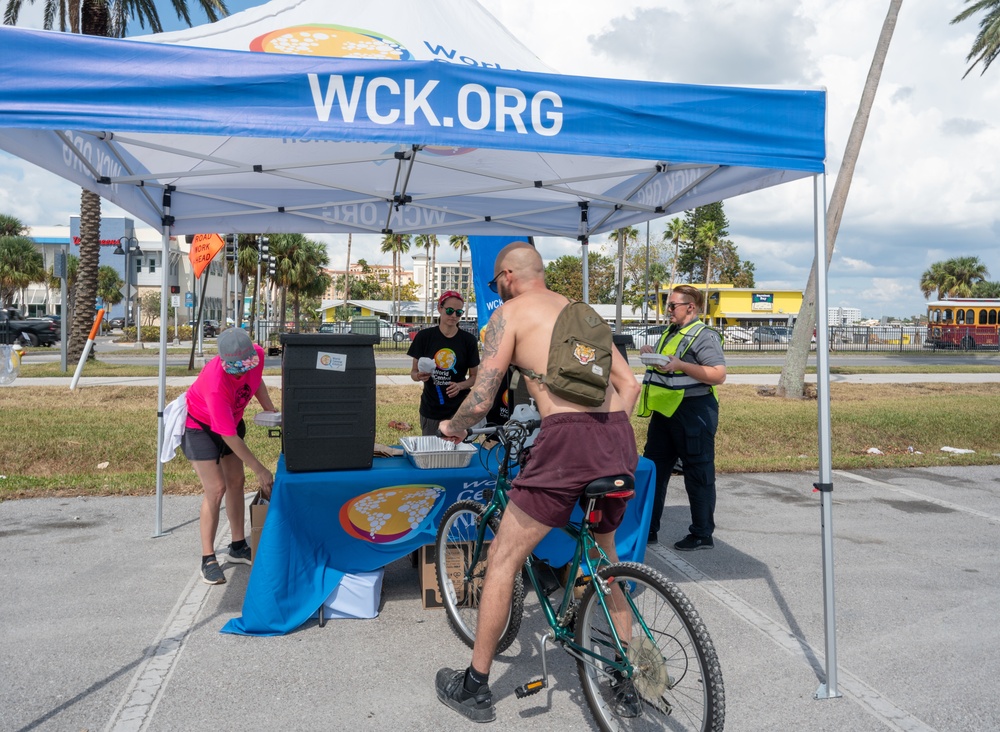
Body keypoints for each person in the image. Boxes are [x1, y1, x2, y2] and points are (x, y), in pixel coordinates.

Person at [434, 242, 641, 723]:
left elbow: (483, 394)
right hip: (615, 442)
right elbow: (629, 386)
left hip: (564, 443)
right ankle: (625, 678)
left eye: (494, 282)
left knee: (503, 558)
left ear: (507, 275)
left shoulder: (509, 314)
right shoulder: (584, 313)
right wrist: (601, 436)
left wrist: (454, 425)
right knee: (606, 560)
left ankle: (475, 687)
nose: (496, 289)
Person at [182, 327, 276, 585]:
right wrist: (261, 469)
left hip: (231, 423)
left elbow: (256, 381)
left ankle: (237, 546)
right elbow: (228, 436)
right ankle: (208, 558)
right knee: (216, 489)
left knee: (236, 482)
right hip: (199, 428)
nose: (244, 371)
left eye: (247, 366)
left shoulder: (255, 356)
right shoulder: (215, 383)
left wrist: (269, 408)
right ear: (224, 361)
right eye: (238, 368)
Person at [637, 285, 726, 551]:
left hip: (694, 414)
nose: (668, 310)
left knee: (697, 473)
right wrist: (650, 354)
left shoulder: (703, 335)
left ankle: (701, 534)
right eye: (668, 305)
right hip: (666, 413)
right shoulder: (670, 332)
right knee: (655, 471)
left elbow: (718, 374)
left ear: (691, 307)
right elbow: (668, 368)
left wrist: (680, 364)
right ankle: (648, 529)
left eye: (673, 305)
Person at [408, 291, 480, 436]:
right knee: (432, 452)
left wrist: (460, 386)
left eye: (458, 312)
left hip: (459, 410)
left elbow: (474, 377)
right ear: (439, 308)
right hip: (432, 408)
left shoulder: (468, 340)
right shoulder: (424, 337)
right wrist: (419, 376)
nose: (454, 316)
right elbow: (413, 373)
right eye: (449, 310)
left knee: (458, 453)